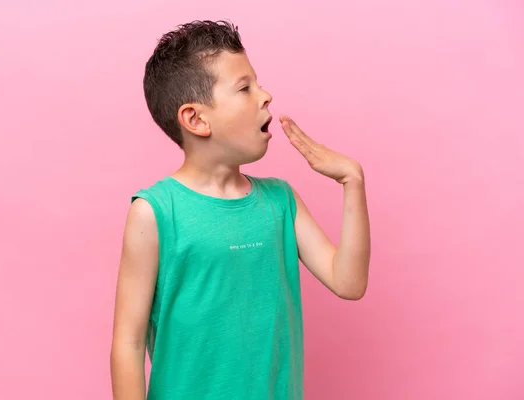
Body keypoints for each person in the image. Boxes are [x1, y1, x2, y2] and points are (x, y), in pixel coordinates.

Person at [110, 20, 371, 400]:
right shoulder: (155, 212)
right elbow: (128, 345)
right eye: (245, 88)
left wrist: (353, 181)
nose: (265, 95)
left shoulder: (280, 202)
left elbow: (349, 282)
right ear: (196, 119)